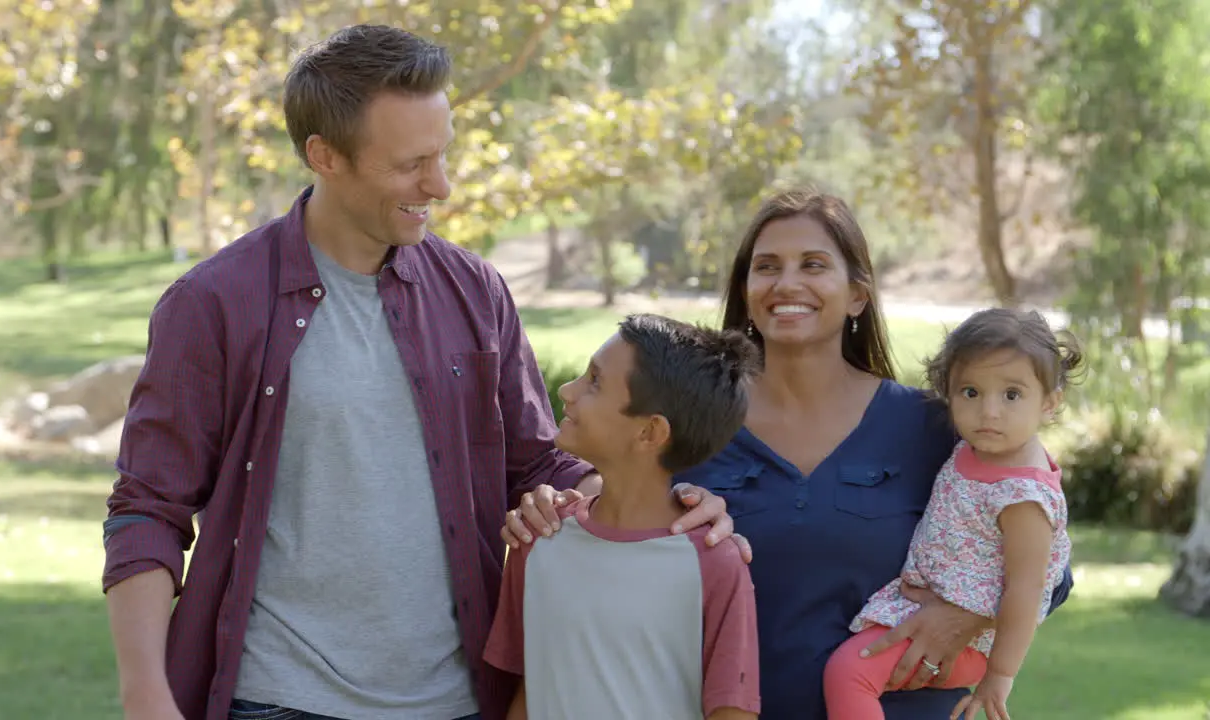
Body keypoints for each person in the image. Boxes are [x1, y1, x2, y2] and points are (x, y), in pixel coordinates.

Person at [100, 25, 737, 720]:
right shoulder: (214, 303)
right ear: (325, 156)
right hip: (279, 697)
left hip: (459, 698)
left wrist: (660, 504)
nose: (440, 185)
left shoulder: (475, 291)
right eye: (411, 165)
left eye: (442, 155)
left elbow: (536, 465)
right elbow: (148, 506)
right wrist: (145, 693)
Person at [504, 188, 1074, 719]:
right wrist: (557, 503)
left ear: (857, 294)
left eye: (814, 265)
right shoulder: (696, 426)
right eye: (767, 266)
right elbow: (622, 517)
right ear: (746, 291)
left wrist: (970, 613)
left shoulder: (935, 424)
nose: (787, 283)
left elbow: (1049, 562)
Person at [483, 314, 762, 720]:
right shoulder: (539, 538)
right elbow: (532, 689)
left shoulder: (715, 563)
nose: (568, 389)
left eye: (594, 381)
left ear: (650, 432)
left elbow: (733, 710)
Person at [823, 308, 1078, 720]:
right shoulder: (974, 450)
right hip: (919, 606)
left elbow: (1027, 590)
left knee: (848, 674)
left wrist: (999, 675)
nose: (988, 412)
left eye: (1011, 394)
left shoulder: (1023, 497)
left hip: (966, 642)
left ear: (1049, 403)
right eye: (971, 392)